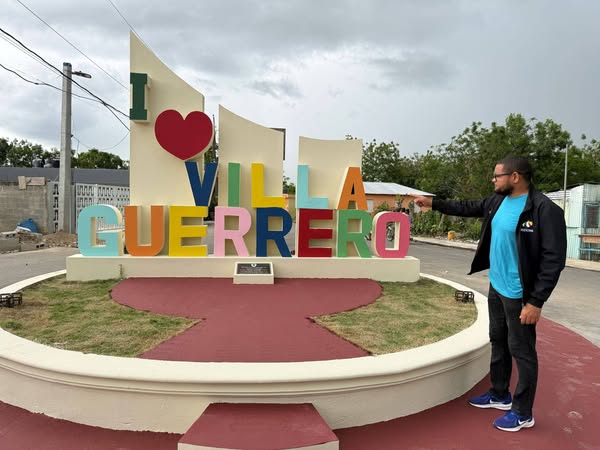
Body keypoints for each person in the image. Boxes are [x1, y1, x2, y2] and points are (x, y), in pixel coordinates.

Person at [414, 156, 566, 432]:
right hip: (497, 285)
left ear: (515, 177)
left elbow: (553, 260)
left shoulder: (544, 209)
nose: (493, 180)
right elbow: (467, 206)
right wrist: (433, 203)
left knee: (522, 351)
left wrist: (535, 301)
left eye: (497, 176)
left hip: (520, 294)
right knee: (498, 339)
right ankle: (499, 393)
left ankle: (522, 412)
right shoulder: (497, 201)